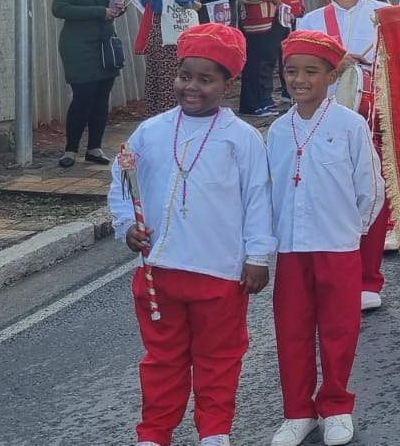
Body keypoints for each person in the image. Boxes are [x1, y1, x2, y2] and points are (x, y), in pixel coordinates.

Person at [106, 23, 275, 446]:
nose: (191, 87)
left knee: (219, 358)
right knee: (162, 358)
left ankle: (214, 431)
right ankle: (154, 433)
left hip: (219, 271)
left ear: (227, 83)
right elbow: (123, 182)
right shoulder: (152, 131)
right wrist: (126, 225)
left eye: (205, 79)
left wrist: (258, 257)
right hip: (159, 270)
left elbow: (258, 200)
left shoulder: (242, 139)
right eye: (185, 76)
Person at [266, 30, 384, 446]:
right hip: (292, 248)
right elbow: (270, 190)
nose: (299, 80)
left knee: (339, 329)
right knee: (292, 329)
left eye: (311, 71)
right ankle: (298, 411)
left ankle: (336, 405)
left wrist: (352, 233)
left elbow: (371, 189)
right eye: (292, 71)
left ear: (331, 75)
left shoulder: (349, 125)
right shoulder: (278, 131)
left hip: (338, 245)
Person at [296, 0, 393, 311]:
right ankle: (334, 276)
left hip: (375, 120)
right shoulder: (311, 22)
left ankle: (368, 280)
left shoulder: (385, 15)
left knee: (374, 196)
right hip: (326, 121)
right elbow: (298, 73)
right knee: (331, 199)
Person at [52, 0, 125, 168]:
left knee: (102, 97)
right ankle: (70, 150)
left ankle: (94, 147)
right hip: (79, 47)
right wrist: (99, 11)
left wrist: (116, 8)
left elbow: (106, 5)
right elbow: (59, 8)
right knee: (84, 97)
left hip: (104, 45)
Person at [231, 0, 281, 117]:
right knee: (253, 63)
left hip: (270, 18)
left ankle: (263, 100)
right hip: (254, 21)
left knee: (265, 61)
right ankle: (250, 105)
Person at [263, 0, 306, 101]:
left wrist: (300, 6)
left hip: (295, 15)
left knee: (291, 54)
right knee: (274, 55)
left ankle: (289, 91)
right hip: (277, 17)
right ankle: (270, 95)